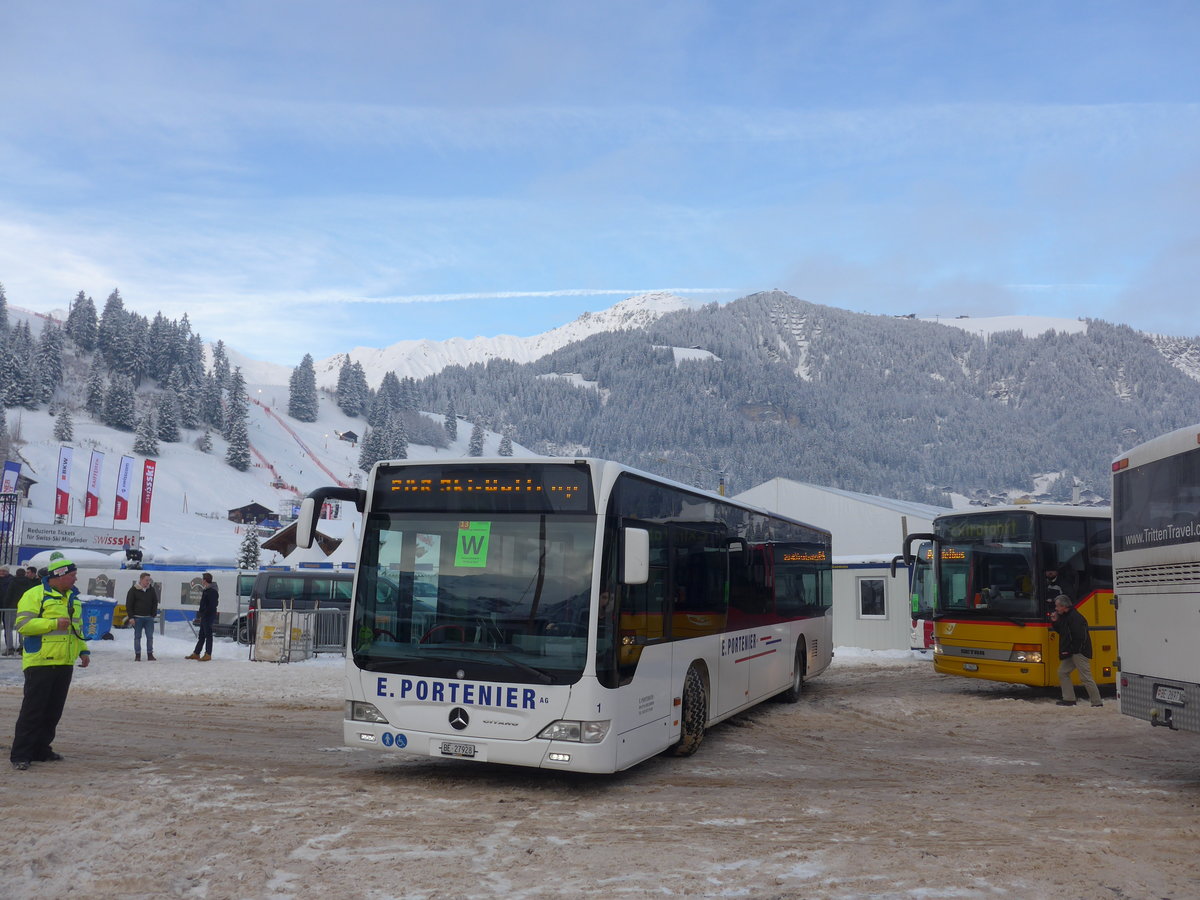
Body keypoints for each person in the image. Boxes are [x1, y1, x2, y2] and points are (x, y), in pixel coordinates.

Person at [9, 557, 90, 770]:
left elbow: (77, 628)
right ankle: (21, 754)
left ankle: (40, 750)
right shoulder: (35, 594)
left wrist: (83, 650)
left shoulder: (74, 597)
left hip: (64, 662)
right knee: (33, 710)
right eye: (72, 575)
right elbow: (23, 625)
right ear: (59, 576)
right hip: (40, 662)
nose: (75, 578)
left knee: (53, 711)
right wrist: (52, 623)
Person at [1050, 594, 1103, 708]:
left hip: (1079, 652)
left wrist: (1076, 650)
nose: (1056, 608)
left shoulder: (1075, 617)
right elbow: (1063, 632)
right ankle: (1069, 699)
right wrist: (1055, 622)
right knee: (1062, 672)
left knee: (1085, 677)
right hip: (1072, 651)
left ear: (1064, 606)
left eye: (1057, 606)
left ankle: (1097, 702)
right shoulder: (1066, 616)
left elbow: (1080, 636)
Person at [125, 572, 159, 661]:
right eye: (146, 580)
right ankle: (137, 655)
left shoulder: (151, 590)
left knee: (150, 636)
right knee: (137, 637)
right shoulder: (133, 590)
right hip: (137, 618)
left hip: (149, 618)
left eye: (149, 580)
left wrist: (153, 614)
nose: (148, 582)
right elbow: (129, 604)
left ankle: (150, 654)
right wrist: (131, 617)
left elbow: (155, 602)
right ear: (141, 580)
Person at [186, 573, 218, 661]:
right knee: (202, 635)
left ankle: (208, 654)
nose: (202, 581)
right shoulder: (207, 590)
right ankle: (196, 653)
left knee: (208, 635)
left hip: (208, 616)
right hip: (205, 616)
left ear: (205, 580)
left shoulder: (212, 591)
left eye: (202, 579)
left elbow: (212, 605)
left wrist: (205, 612)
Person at [0, 566, 15, 656]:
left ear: (7, 572)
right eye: (0, 571)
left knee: (8, 628)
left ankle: (9, 647)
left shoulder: (11, 580)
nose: (1, 572)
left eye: (4, 571)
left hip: (7, 607)